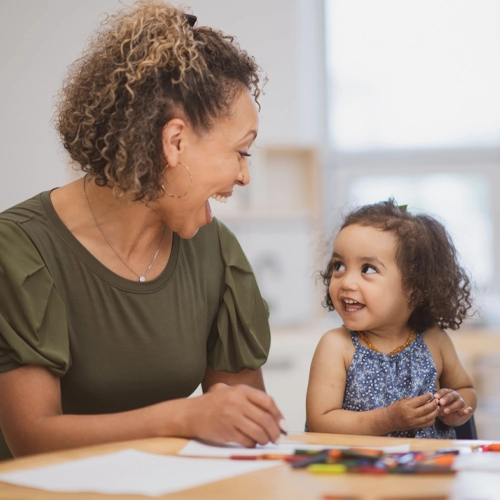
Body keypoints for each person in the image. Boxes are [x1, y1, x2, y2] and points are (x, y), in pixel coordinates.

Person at [0, 1, 286, 460]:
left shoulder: (216, 252)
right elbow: (32, 438)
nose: (244, 176)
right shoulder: (19, 249)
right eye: (241, 152)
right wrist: (181, 417)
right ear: (175, 143)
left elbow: (244, 426)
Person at [306, 199, 476, 438]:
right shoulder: (337, 346)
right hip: (359, 470)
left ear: (416, 288)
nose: (345, 282)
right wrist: (387, 419)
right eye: (339, 265)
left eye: (368, 269)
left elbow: (465, 389)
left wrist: (456, 406)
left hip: (429, 470)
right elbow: (320, 421)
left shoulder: (434, 339)